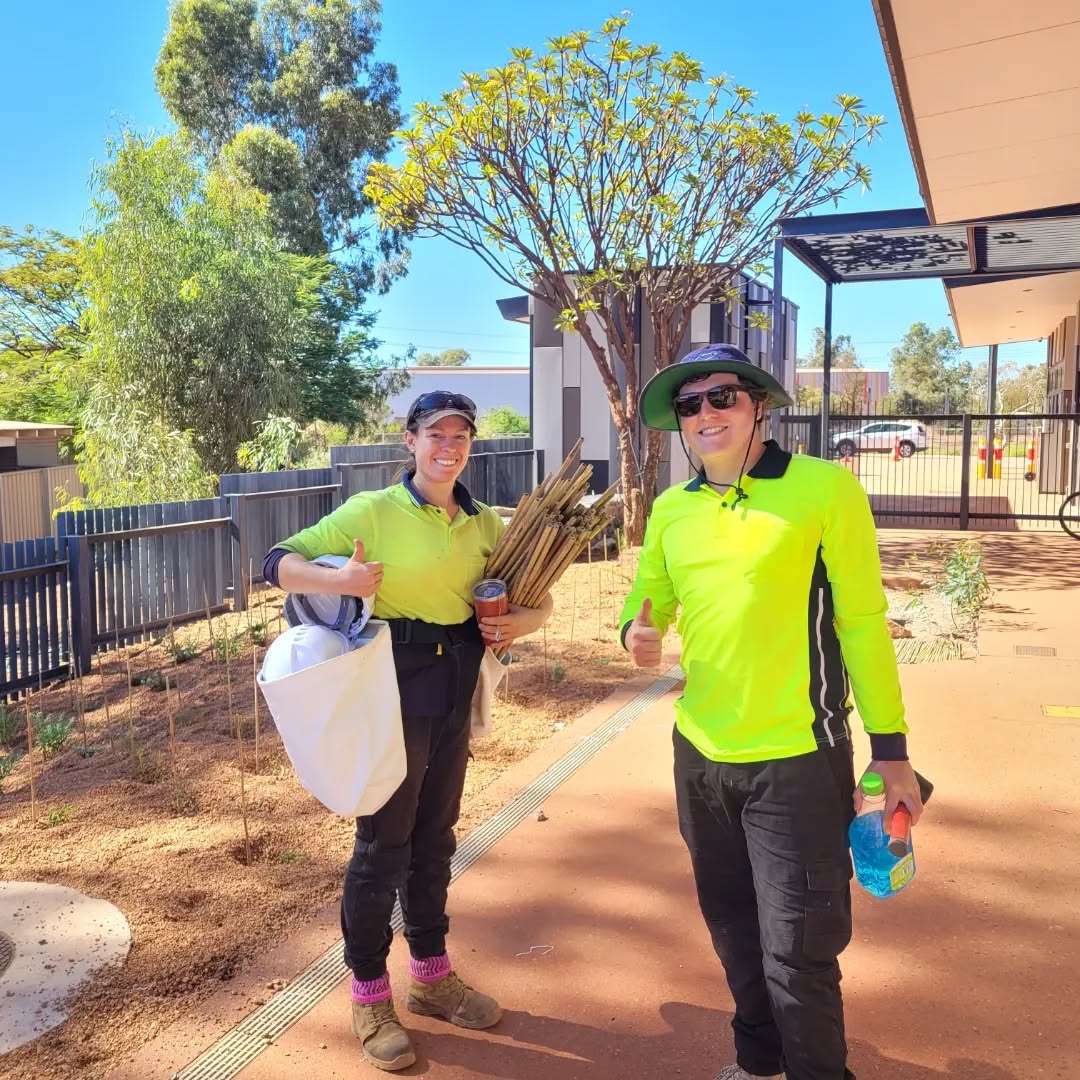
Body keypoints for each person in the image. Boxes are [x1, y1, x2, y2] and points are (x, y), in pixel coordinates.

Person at [619, 344, 923, 1080]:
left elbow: (861, 620)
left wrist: (890, 750)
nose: (703, 415)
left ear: (759, 405)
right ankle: (758, 1061)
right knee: (731, 929)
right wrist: (636, 631)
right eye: (689, 407)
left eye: (720, 397)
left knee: (799, 946)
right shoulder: (670, 509)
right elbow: (645, 600)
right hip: (700, 756)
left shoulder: (824, 489)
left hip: (797, 757)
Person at [262, 390, 552, 1072]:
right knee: (383, 842)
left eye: (461, 436)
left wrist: (517, 625)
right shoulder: (374, 510)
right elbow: (275, 561)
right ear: (410, 441)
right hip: (390, 689)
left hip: (456, 688)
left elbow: (532, 605)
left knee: (435, 837)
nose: (448, 446)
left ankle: (431, 976)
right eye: (435, 434)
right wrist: (349, 579)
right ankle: (368, 994)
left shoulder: (484, 524)